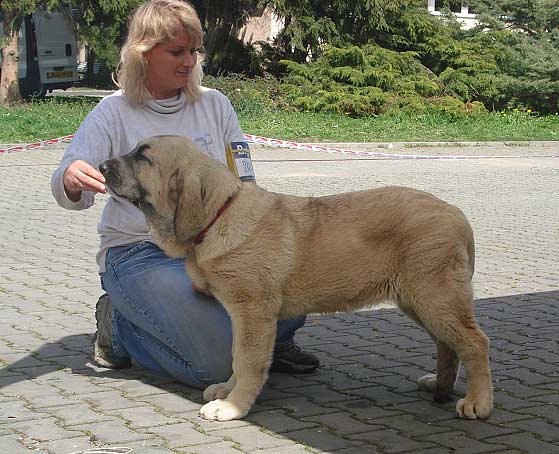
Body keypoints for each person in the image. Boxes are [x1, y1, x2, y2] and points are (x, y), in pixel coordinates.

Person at [51, 0, 319, 388]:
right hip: (140, 254)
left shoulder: (215, 105)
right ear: (142, 53)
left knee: (296, 287)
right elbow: (67, 184)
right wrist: (72, 179)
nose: (189, 61)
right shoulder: (112, 113)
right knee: (212, 366)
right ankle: (119, 328)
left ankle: (269, 340)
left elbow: (246, 186)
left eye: (194, 51)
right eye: (176, 51)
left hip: (214, 247)